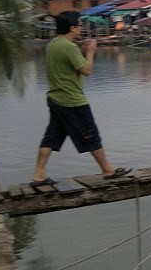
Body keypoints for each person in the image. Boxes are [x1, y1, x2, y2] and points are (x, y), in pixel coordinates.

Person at [31, 11, 130, 185]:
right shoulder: (69, 47)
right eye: (79, 25)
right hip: (72, 100)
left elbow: (70, 64)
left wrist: (81, 51)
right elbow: (86, 71)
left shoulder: (53, 44)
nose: (80, 28)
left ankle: (39, 174)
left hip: (55, 98)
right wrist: (90, 52)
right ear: (72, 28)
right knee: (91, 134)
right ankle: (107, 170)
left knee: (52, 137)